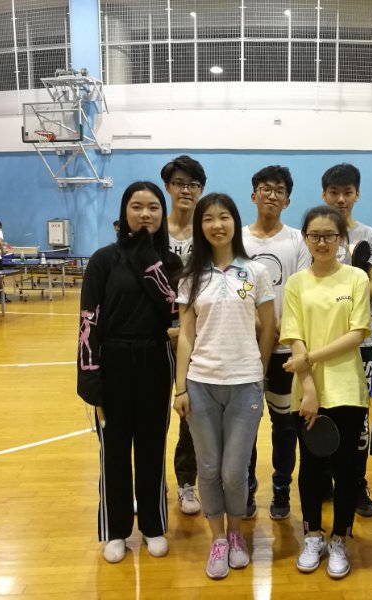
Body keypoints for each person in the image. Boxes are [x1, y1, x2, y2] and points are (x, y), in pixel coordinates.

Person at [77, 181, 182, 564]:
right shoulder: (103, 260)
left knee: (153, 447)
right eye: (136, 206)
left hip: (156, 360)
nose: (145, 214)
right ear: (124, 212)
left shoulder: (171, 263)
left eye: (153, 207)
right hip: (113, 361)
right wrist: (90, 376)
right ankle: (116, 529)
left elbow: (174, 310)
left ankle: (153, 526)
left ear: (162, 214)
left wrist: (146, 256)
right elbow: (88, 320)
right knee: (114, 451)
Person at [173, 193, 275, 580]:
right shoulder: (191, 276)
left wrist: (259, 372)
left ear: (235, 221)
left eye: (224, 217)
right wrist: (180, 388)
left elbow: (269, 329)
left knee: (234, 471)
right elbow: (186, 334)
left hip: (245, 384)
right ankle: (217, 538)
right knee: (209, 467)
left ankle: (236, 533)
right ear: (200, 227)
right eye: (208, 219)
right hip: (200, 384)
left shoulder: (256, 272)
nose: (217, 225)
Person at [281, 205, 371, 580]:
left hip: (348, 388)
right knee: (311, 467)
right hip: (306, 391)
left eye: (329, 235)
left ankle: (339, 539)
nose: (321, 242)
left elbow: (357, 333)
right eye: (314, 235)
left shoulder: (356, 279)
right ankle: (313, 536)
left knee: (346, 470)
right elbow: (294, 336)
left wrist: (309, 359)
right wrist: (308, 388)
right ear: (306, 239)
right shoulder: (296, 283)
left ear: (341, 239)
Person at [242, 165, 311, 520]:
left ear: (287, 200)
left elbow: (300, 291)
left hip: (285, 349)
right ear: (254, 195)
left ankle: (281, 489)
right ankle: (246, 489)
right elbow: (236, 290)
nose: (272, 195)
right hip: (245, 350)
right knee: (246, 426)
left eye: (279, 190)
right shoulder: (238, 240)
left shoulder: (298, 240)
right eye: (266, 188)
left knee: (285, 426)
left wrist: (275, 328)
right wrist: (259, 325)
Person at [321, 162, 372, 517]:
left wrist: (348, 280)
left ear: (357, 194)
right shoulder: (316, 232)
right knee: (323, 412)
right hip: (322, 341)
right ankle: (325, 480)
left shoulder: (371, 237)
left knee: (358, 418)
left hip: (362, 341)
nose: (341, 199)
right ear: (324, 195)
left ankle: (356, 483)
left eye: (347, 192)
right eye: (334, 192)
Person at [161, 154, 207, 515]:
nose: (186, 190)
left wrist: (188, 330)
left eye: (193, 184)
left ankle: (187, 483)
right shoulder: (154, 230)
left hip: (196, 335)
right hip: (156, 335)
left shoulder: (208, 231)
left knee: (189, 413)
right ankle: (150, 484)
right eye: (179, 183)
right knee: (150, 417)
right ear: (168, 187)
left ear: (201, 190)